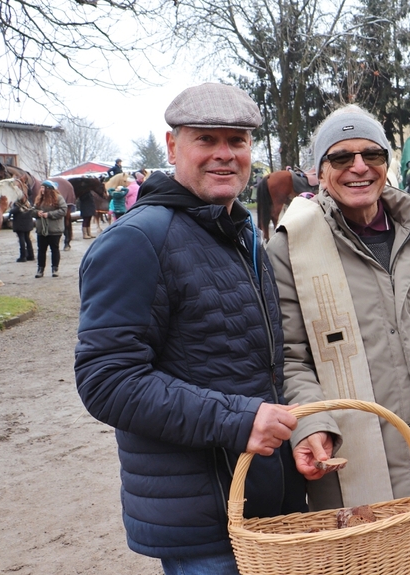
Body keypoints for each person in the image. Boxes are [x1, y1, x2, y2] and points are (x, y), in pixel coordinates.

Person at [74, 82, 305, 575]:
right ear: (173, 146)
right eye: (206, 139)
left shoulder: (242, 232)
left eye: (237, 140)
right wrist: (240, 420)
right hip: (203, 524)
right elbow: (106, 381)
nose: (225, 154)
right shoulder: (136, 240)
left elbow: (259, 363)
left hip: (262, 502)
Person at [266, 105, 410, 575]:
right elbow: (290, 357)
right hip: (351, 469)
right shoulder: (290, 246)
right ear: (320, 171)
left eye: (371, 154)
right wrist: (311, 425)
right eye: (341, 158)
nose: (359, 167)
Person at [33, 180, 67, 278]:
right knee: (41, 250)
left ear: (49, 189)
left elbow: (63, 210)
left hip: (54, 229)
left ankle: (55, 269)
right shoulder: (39, 199)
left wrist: (49, 214)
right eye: (41, 187)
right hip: (42, 230)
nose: (41, 189)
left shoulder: (58, 198)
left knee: (54, 249)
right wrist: (37, 213)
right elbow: (32, 210)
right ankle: (40, 269)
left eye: (43, 187)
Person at [9, 198, 36, 262]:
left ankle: (23, 256)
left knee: (21, 239)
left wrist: (10, 209)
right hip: (28, 223)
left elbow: (13, 211)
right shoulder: (28, 202)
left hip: (20, 223)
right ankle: (31, 255)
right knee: (27, 238)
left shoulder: (17, 204)